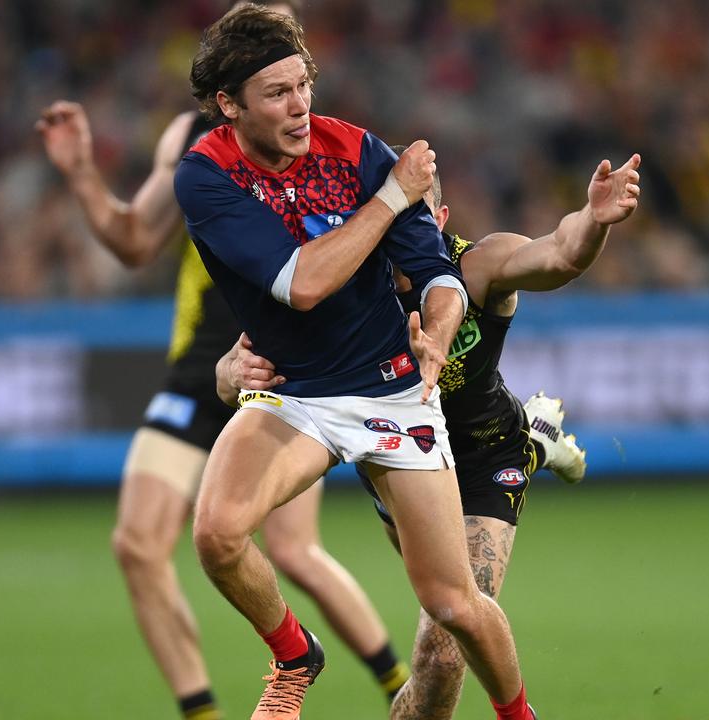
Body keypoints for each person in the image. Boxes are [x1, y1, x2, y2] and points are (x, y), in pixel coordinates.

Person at [34, 4, 408, 719]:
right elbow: (137, 241)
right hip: (203, 366)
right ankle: (203, 711)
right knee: (138, 544)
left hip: (287, 369)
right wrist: (81, 172)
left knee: (295, 553)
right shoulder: (196, 147)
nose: (291, 91)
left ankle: (397, 687)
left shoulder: (324, 145)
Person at [174, 6, 543, 719]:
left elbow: (436, 272)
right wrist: (393, 195)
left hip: (391, 393)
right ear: (229, 105)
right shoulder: (207, 176)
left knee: (454, 606)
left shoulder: (356, 150)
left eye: (303, 83)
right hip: (298, 395)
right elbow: (302, 283)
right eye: (276, 93)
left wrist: (437, 330)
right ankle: (293, 653)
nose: (300, 104)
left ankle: (518, 716)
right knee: (217, 533)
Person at [219, 147, 643, 719]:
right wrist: (229, 374)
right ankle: (541, 439)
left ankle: (528, 444)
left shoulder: (478, 266)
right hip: (401, 463)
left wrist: (593, 221)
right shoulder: (338, 291)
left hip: (482, 461)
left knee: (441, 655)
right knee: (437, 656)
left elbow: (560, 253)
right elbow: (238, 377)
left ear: (437, 223)